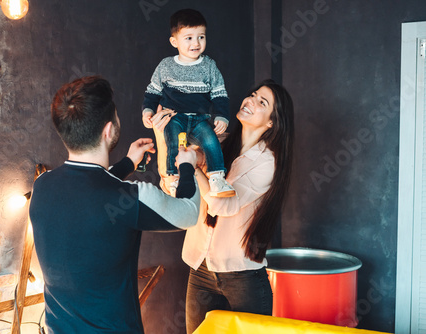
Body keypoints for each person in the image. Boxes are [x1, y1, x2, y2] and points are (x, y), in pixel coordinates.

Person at [28, 76, 200, 334]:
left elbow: (88, 190)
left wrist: (128, 163)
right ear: (108, 130)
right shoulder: (132, 197)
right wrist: (188, 165)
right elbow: (189, 212)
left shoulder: (42, 186)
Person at [152, 79, 294, 333]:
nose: (250, 100)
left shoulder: (267, 163)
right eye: (252, 94)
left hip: (244, 278)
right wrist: (162, 138)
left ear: (272, 122)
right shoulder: (217, 143)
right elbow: (173, 186)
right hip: (201, 269)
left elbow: (223, 205)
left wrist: (193, 166)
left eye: (262, 102)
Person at [142, 8, 235, 198]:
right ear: (174, 41)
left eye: (201, 37)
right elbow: (152, 91)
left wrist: (222, 116)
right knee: (173, 142)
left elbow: (220, 93)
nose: (196, 43)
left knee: (211, 141)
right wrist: (148, 111)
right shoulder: (166, 66)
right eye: (189, 38)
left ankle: (217, 178)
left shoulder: (209, 66)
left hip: (200, 118)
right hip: (174, 116)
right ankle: (173, 177)